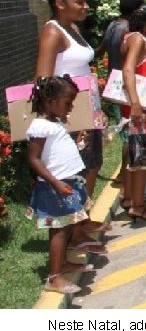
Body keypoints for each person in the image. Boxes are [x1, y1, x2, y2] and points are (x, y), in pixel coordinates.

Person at [26, 76, 101, 294]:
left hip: (66, 183)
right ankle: (54, 277)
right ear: (49, 100)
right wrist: (55, 183)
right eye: (67, 103)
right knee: (58, 231)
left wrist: (77, 143)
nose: (70, 108)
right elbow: (34, 159)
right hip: (54, 188)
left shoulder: (55, 122)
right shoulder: (39, 126)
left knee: (67, 226)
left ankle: (63, 264)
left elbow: (56, 152)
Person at [35, 0, 104, 200]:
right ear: (59, 4)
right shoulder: (52, 32)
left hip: (86, 109)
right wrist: (60, 120)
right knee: (78, 169)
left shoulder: (73, 28)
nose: (85, 7)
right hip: (69, 114)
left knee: (92, 163)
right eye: (79, 2)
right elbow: (43, 80)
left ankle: (83, 221)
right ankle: (74, 227)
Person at [95, 0, 145, 190]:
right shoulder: (129, 31)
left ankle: (125, 175)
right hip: (124, 88)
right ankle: (124, 176)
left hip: (113, 85)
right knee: (129, 134)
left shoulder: (113, 25)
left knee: (126, 130)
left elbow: (101, 49)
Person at [120, 4, 146, 222]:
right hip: (141, 107)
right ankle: (137, 205)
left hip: (137, 105)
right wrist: (136, 103)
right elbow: (129, 68)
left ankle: (129, 198)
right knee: (142, 158)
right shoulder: (138, 39)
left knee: (134, 154)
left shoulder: (128, 37)